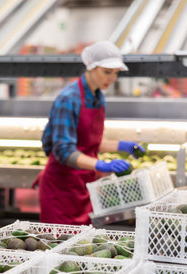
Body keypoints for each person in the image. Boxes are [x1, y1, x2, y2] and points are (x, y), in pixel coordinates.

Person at [38, 41, 144, 225]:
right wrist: (102, 165)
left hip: (83, 185)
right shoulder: (68, 98)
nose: (112, 78)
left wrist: (124, 146)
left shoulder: (97, 96)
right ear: (91, 67)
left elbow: (92, 141)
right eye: (107, 72)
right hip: (61, 188)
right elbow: (64, 151)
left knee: (82, 248)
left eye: (116, 73)